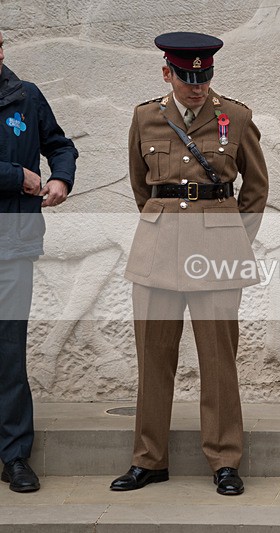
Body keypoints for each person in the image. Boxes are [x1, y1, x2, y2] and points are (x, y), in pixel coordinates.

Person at [110, 32, 268, 496]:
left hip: (216, 255)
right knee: (153, 360)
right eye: (187, 78)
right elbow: (143, 189)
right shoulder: (145, 118)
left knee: (218, 360)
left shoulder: (235, 117)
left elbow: (256, 191)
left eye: (204, 77)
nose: (196, 86)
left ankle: (224, 460)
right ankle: (148, 459)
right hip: (157, 253)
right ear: (167, 73)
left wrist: (230, 240)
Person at [0, 31, 78, 493]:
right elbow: (17, 175)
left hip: (15, 245)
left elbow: (60, 144)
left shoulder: (26, 97)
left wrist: (60, 178)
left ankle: (15, 456)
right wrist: (18, 177)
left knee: (10, 353)